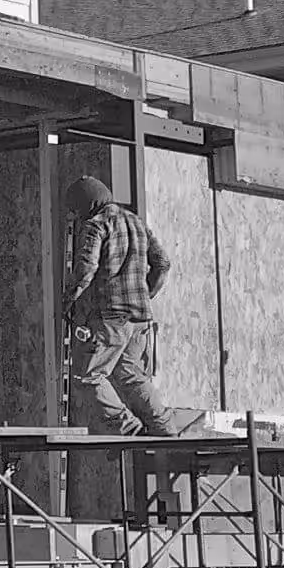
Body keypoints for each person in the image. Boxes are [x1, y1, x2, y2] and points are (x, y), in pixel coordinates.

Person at [63, 175, 173, 436]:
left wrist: (68, 303)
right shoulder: (136, 222)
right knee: (130, 373)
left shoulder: (96, 224)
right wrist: (146, 294)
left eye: (77, 209)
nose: (77, 215)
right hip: (141, 320)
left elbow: (85, 271)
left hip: (112, 317)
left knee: (88, 376)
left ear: (86, 204)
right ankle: (165, 428)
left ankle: (129, 429)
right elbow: (163, 263)